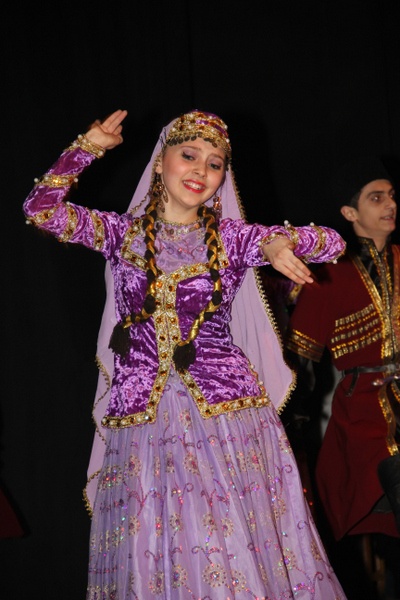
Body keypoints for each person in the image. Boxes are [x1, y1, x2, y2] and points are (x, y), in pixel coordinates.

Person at [23, 109, 347, 599]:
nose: (201, 170)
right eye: (189, 155)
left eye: (215, 163)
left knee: (226, 543)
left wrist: (279, 241)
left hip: (226, 417)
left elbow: (332, 241)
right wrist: (86, 149)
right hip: (142, 422)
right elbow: (41, 210)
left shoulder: (233, 238)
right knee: (153, 548)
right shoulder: (123, 234)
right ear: (160, 162)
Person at [286, 157, 400, 594]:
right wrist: (292, 427)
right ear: (350, 213)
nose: (390, 205)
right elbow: (301, 362)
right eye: (377, 198)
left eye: (392, 196)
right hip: (364, 420)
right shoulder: (328, 275)